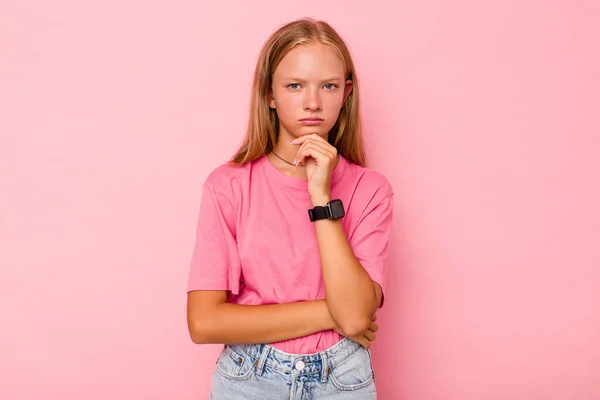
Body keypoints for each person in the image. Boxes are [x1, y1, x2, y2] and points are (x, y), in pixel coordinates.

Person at [186, 17, 394, 399]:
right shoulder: (229, 186)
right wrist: (334, 314)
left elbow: (355, 317)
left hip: (342, 379)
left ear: (346, 93)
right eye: (295, 86)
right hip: (248, 379)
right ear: (270, 94)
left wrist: (322, 197)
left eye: (328, 86)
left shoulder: (371, 190)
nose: (312, 103)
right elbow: (203, 322)